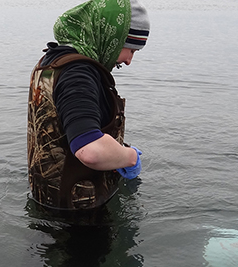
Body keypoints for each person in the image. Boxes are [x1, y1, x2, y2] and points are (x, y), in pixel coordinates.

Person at [28, 0, 150, 211]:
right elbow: (90, 150)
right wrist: (129, 157)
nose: (129, 60)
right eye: (130, 50)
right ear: (110, 37)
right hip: (81, 217)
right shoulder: (79, 74)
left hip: (46, 201)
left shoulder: (52, 60)